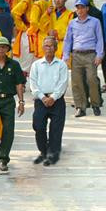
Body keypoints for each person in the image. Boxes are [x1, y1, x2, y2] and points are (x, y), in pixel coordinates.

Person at [29, 35, 70, 166]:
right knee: (38, 126)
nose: (49, 48)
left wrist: (53, 97)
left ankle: (53, 154)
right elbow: (33, 84)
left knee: (56, 129)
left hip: (57, 100)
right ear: (42, 48)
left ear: (56, 48)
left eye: (51, 46)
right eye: (46, 46)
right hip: (41, 100)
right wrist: (43, 97)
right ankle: (43, 151)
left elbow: (63, 83)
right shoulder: (36, 65)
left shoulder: (61, 65)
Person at [62, 0, 104, 118]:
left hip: (90, 54)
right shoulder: (72, 23)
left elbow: (100, 39)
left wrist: (99, 55)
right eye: (77, 8)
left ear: (87, 8)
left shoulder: (95, 22)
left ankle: (95, 104)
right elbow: (68, 40)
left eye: (82, 7)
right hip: (76, 55)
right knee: (76, 82)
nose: (79, 10)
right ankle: (80, 107)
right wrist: (66, 56)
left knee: (92, 79)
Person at [0, 36, 24, 172]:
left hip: (8, 100)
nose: (1, 49)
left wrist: (21, 101)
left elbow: (19, 83)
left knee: (8, 130)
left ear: (8, 49)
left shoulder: (14, 65)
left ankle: (3, 158)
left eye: (3, 47)